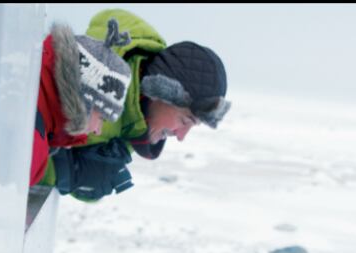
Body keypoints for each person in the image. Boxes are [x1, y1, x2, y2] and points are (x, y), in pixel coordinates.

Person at [38, 9, 230, 201]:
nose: (181, 136)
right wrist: (62, 172)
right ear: (161, 94)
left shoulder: (137, 119)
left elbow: (88, 186)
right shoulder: (93, 82)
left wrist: (79, 175)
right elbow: (20, 150)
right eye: (184, 120)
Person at [30, 18, 133, 187]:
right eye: (102, 118)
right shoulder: (33, 141)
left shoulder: (34, 106)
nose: (97, 131)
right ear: (85, 102)